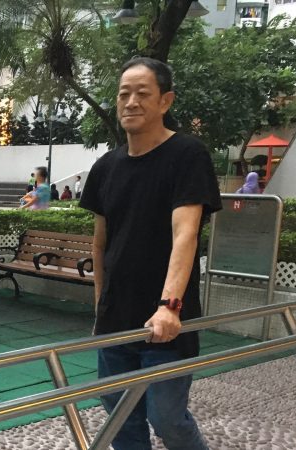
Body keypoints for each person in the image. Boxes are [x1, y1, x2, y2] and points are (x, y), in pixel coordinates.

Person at [79, 57, 221, 450]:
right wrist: (100, 309)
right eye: (124, 94)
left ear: (165, 101)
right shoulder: (106, 167)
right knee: (121, 420)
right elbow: (101, 244)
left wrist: (169, 306)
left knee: (167, 419)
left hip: (167, 322)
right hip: (116, 321)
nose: (131, 102)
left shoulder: (187, 155)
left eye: (143, 93)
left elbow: (185, 234)